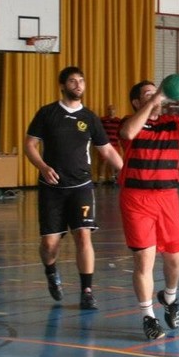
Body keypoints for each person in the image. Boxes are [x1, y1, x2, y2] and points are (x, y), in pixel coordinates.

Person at [119, 78, 179, 340]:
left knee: (174, 259)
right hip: (137, 200)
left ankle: (169, 298)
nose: (157, 97)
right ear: (136, 102)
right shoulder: (130, 122)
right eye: (148, 94)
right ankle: (148, 316)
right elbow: (128, 134)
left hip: (168, 199)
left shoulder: (173, 122)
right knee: (144, 261)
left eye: (158, 92)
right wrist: (155, 98)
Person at [24, 66, 123, 310]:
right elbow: (30, 145)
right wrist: (43, 167)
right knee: (50, 245)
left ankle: (87, 291)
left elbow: (107, 149)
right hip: (52, 188)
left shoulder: (89, 118)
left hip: (81, 186)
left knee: (83, 235)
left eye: (81, 80)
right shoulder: (47, 113)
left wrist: (126, 171)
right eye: (72, 81)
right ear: (62, 85)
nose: (78, 85)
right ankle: (50, 270)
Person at [98, 104, 122, 184]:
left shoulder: (119, 120)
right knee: (104, 161)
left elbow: (120, 131)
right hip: (105, 144)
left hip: (115, 144)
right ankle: (101, 178)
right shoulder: (103, 119)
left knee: (114, 161)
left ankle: (113, 177)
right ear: (107, 111)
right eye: (109, 109)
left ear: (115, 110)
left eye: (113, 109)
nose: (111, 111)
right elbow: (99, 130)